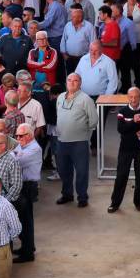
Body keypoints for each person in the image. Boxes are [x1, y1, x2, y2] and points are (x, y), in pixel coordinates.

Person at [55, 73, 97, 207]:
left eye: (75, 80)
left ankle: (82, 197)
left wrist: (84, 134)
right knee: (63, 170)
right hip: (61, 141)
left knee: (81, 171)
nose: (72, 83)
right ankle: (67, 194)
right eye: (69, 80)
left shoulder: (86, 99)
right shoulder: (61, 97)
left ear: (80, 83)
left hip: (79, 142)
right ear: (66, 82)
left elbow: (94, 121)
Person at [108, 87, 140, 213]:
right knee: (121, 175)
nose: (133, 99)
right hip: (125, 148)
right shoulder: (122, 112)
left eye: (135, 97)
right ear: (127, 97)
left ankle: (139, 203)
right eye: (130, 97)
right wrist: (133, 121)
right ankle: (115, 203)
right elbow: (121, 129)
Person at [12, 123, 42, 263]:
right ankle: (28, 247)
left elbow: (15, 161)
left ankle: (28, 252)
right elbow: (14, 154)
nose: (18, 138)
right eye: (16, 135)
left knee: (25, 220)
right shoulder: (22, 146)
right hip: (23, 185)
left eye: (21, 135)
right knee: (24, 219)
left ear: (29, 136)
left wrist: (15, 154)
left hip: (27, 186)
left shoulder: (34, 149)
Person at [61, 4, 96, 75]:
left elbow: (93, 43)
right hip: (69, 58)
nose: (71, 18)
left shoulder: (89, 27)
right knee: (70, 77)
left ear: (80, 18)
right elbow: (63, 40)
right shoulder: (68, 25)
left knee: (82, 78)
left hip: (83, 59)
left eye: (73, 17)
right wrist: (64, 54)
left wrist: (88, 58)